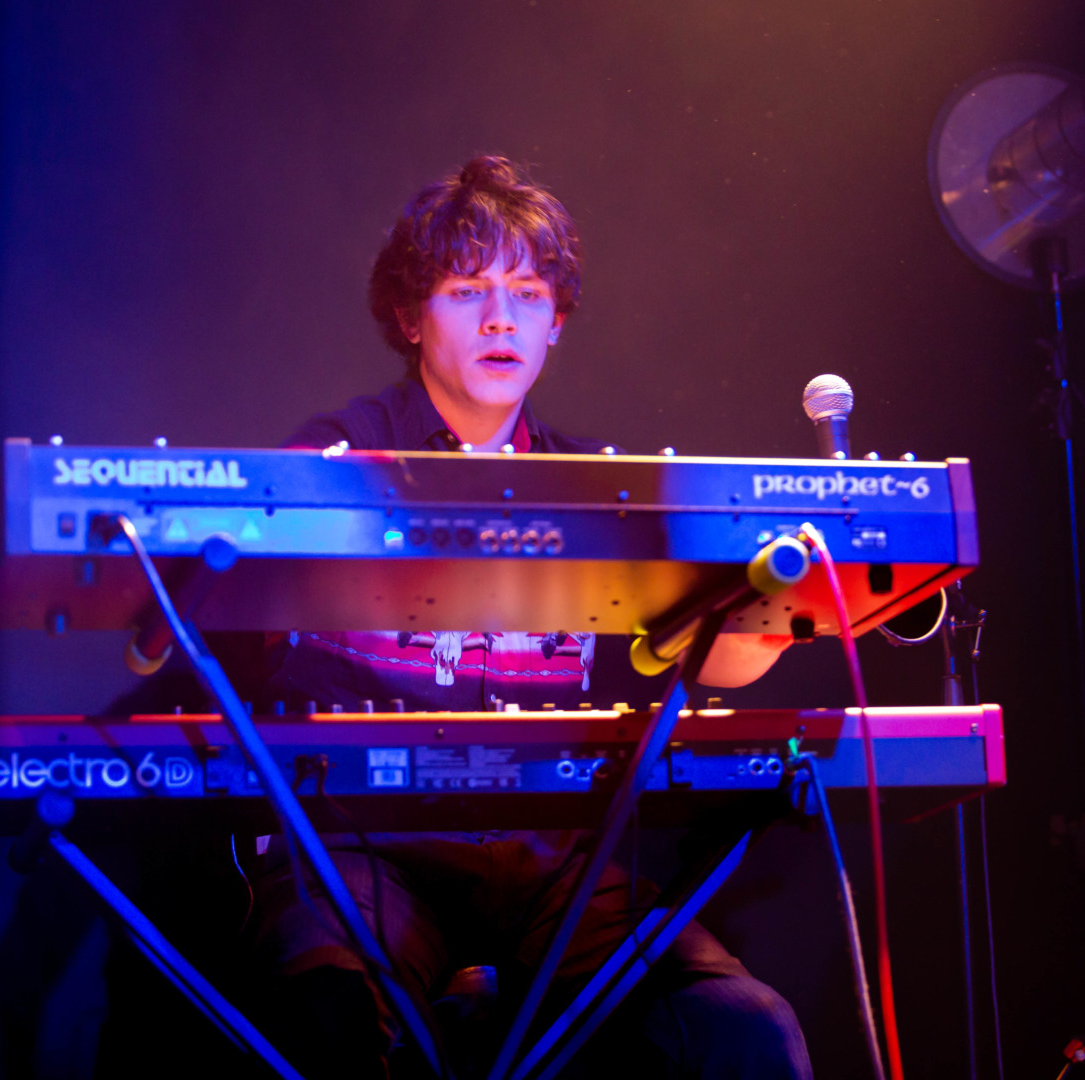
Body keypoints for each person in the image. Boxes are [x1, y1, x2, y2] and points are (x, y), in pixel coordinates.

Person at [250, 156, 809, 1079]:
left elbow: (714, 657)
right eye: (468, 290)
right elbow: (233, 617)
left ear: (556, 325)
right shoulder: (332, 452)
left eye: (527, 293)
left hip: (552, 860)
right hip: (362, 840)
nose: (501, 317)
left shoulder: (596, 483)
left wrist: (801, 604)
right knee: (325, 1011)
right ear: (409, 315)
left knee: (742, 1029)